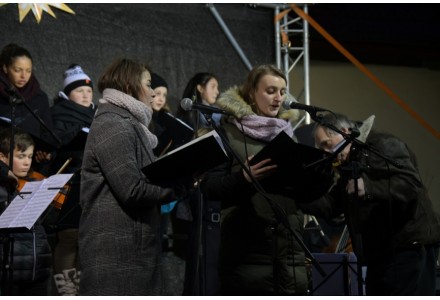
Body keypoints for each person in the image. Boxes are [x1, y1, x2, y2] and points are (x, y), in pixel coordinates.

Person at [200, 64, 310, 295]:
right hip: (247, 255)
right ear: (252, 93)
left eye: (282, 92)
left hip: (290, 253)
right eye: (271, 91)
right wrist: (243, 178)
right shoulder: (226, 133)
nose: (278, 98)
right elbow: (210, 188)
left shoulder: (289, 135)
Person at [302, 112, 440, 295]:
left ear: (344, 131)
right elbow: (331, 205)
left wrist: (368, 188)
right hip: (383, 254)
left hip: (408, 248)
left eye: (327, 144)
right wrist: (296, 196)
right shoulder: (349, 163)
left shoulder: (381, 145)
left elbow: (411, 186)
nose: (326, 153)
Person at [78, 58, 184, 295]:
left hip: (131, 250)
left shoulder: (129, 124)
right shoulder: (113, 124)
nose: (153, 92)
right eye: (147, 84)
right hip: (117, 255)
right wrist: (179, 187)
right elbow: (132, 190)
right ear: (129, 87)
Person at [49, 64, 96, 296]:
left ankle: (81, 291)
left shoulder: (98, 115)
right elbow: (52, 144)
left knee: (85, 239)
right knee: (68, 237)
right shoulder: (58, 114)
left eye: (89, 91)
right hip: (68, 183)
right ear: (68, 94)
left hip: (90, 183)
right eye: (80, 91)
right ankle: (67, 292)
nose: (86, 95)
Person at [0, 127, 52, 296]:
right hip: (11, 272)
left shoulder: (33, 184)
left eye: (29, 157)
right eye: (20, 156)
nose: (27, 162)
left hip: (39, 269)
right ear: (2, 158)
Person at [0, 43, 53, 169]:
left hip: (32, 166)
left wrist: (46, 154)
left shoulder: (39, 97)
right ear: (5, 68)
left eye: (28, 71)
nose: (24, 76)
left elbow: (48, 133)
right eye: (17, 70)